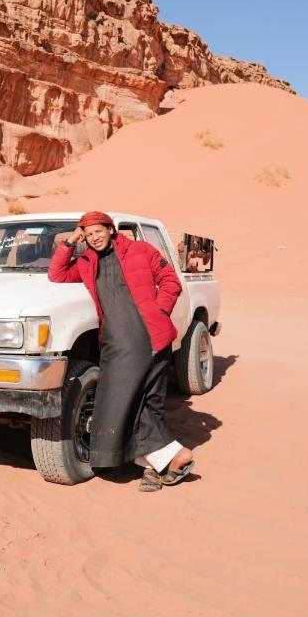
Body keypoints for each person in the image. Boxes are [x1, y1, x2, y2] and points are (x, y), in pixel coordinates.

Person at [48, 211, 194, 492]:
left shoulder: (141, 250)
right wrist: (70, 242)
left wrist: (158, 312)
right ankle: (156, 464)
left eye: (98, 231)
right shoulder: (87, 262)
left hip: (149, 335)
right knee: (137, 402)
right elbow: (57, 274)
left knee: (125, 401)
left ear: (111, 229)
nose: (94, 237)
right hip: (117, 340)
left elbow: (171, 282)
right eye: (88, 235)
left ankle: (171, 456)